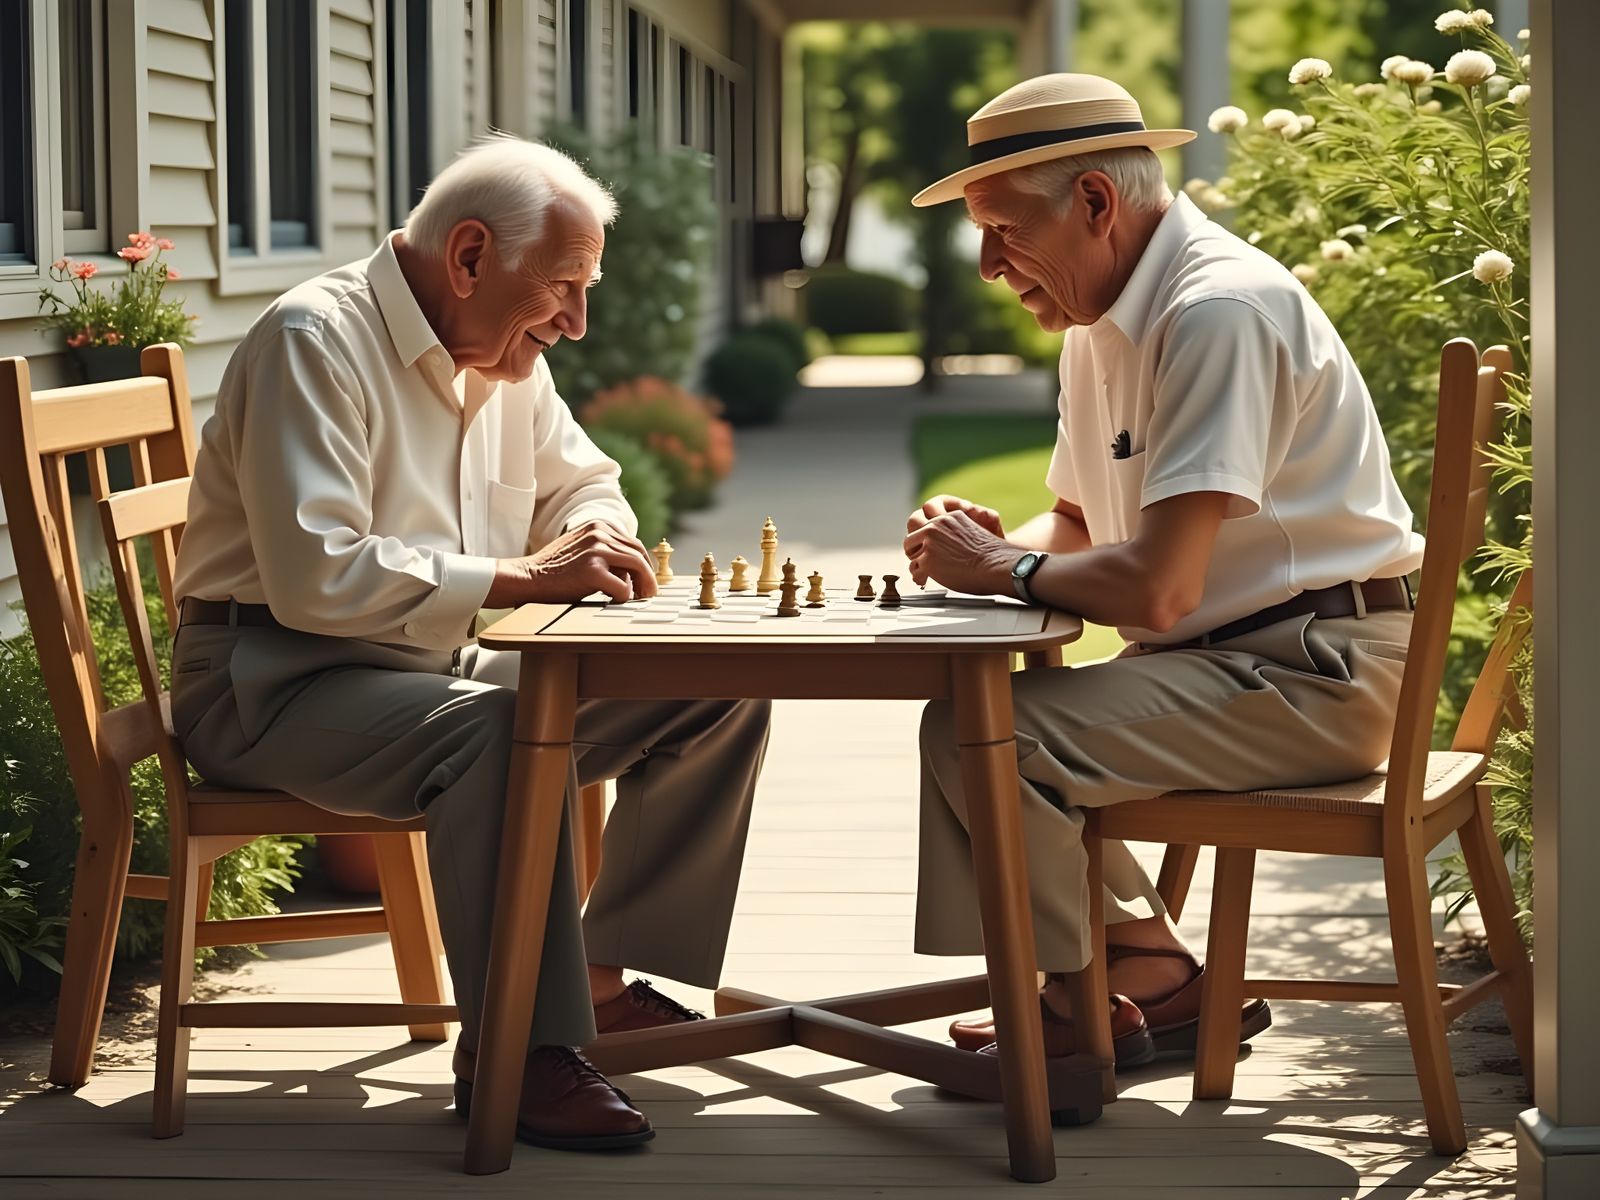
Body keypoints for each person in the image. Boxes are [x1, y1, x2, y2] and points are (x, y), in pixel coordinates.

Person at [170, 136, 770, 1150]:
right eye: (563, 289)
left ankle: (597, 985)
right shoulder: (313, 341)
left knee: (711, 687)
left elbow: (584, 480)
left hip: (422, 667)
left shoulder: (506, 354)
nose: (574, 323)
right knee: (496, 735)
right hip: (267, 678)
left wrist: (596, 533)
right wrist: (525, 578)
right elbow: (319, 577)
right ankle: (518, 1051)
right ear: (469, 256)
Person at [902, 74, 1422, 1067]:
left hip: (1321, 672)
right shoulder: (1099, 322)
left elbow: (1157, 590)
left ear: (1096, 202)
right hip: (1232, 661)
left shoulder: (1217, 313)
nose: (986, 265)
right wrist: (988, 546)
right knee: (979, 726)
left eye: (1003, 228)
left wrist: (1002, 569)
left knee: (994, 738)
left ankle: (1076, 1001)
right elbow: (1070, 521)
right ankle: (1142, 969)